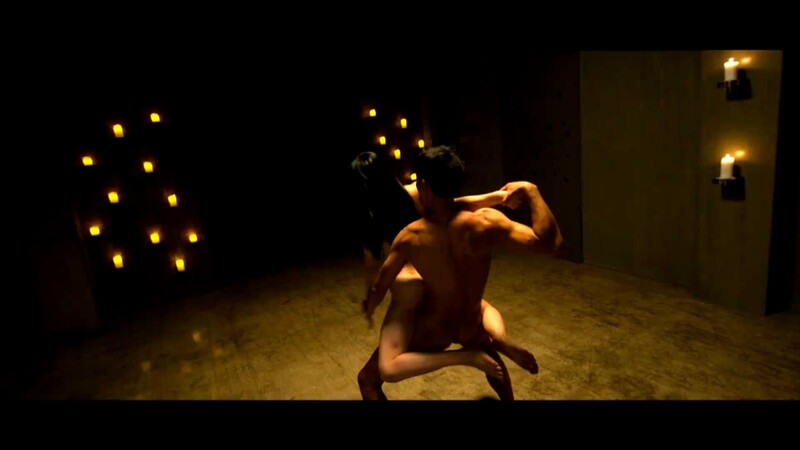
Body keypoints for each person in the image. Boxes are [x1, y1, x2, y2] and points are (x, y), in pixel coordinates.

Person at [363, 145, 562, 400]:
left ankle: (471, 353)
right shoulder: (485, 222)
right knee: (489, 346)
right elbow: (551, 243)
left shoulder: (410, 237)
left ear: (423, 186)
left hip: (435, 328)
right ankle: (498, 342)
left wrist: (370, 305)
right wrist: (531, 191)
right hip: (470, 323)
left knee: (369, 379)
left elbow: (380, 286)